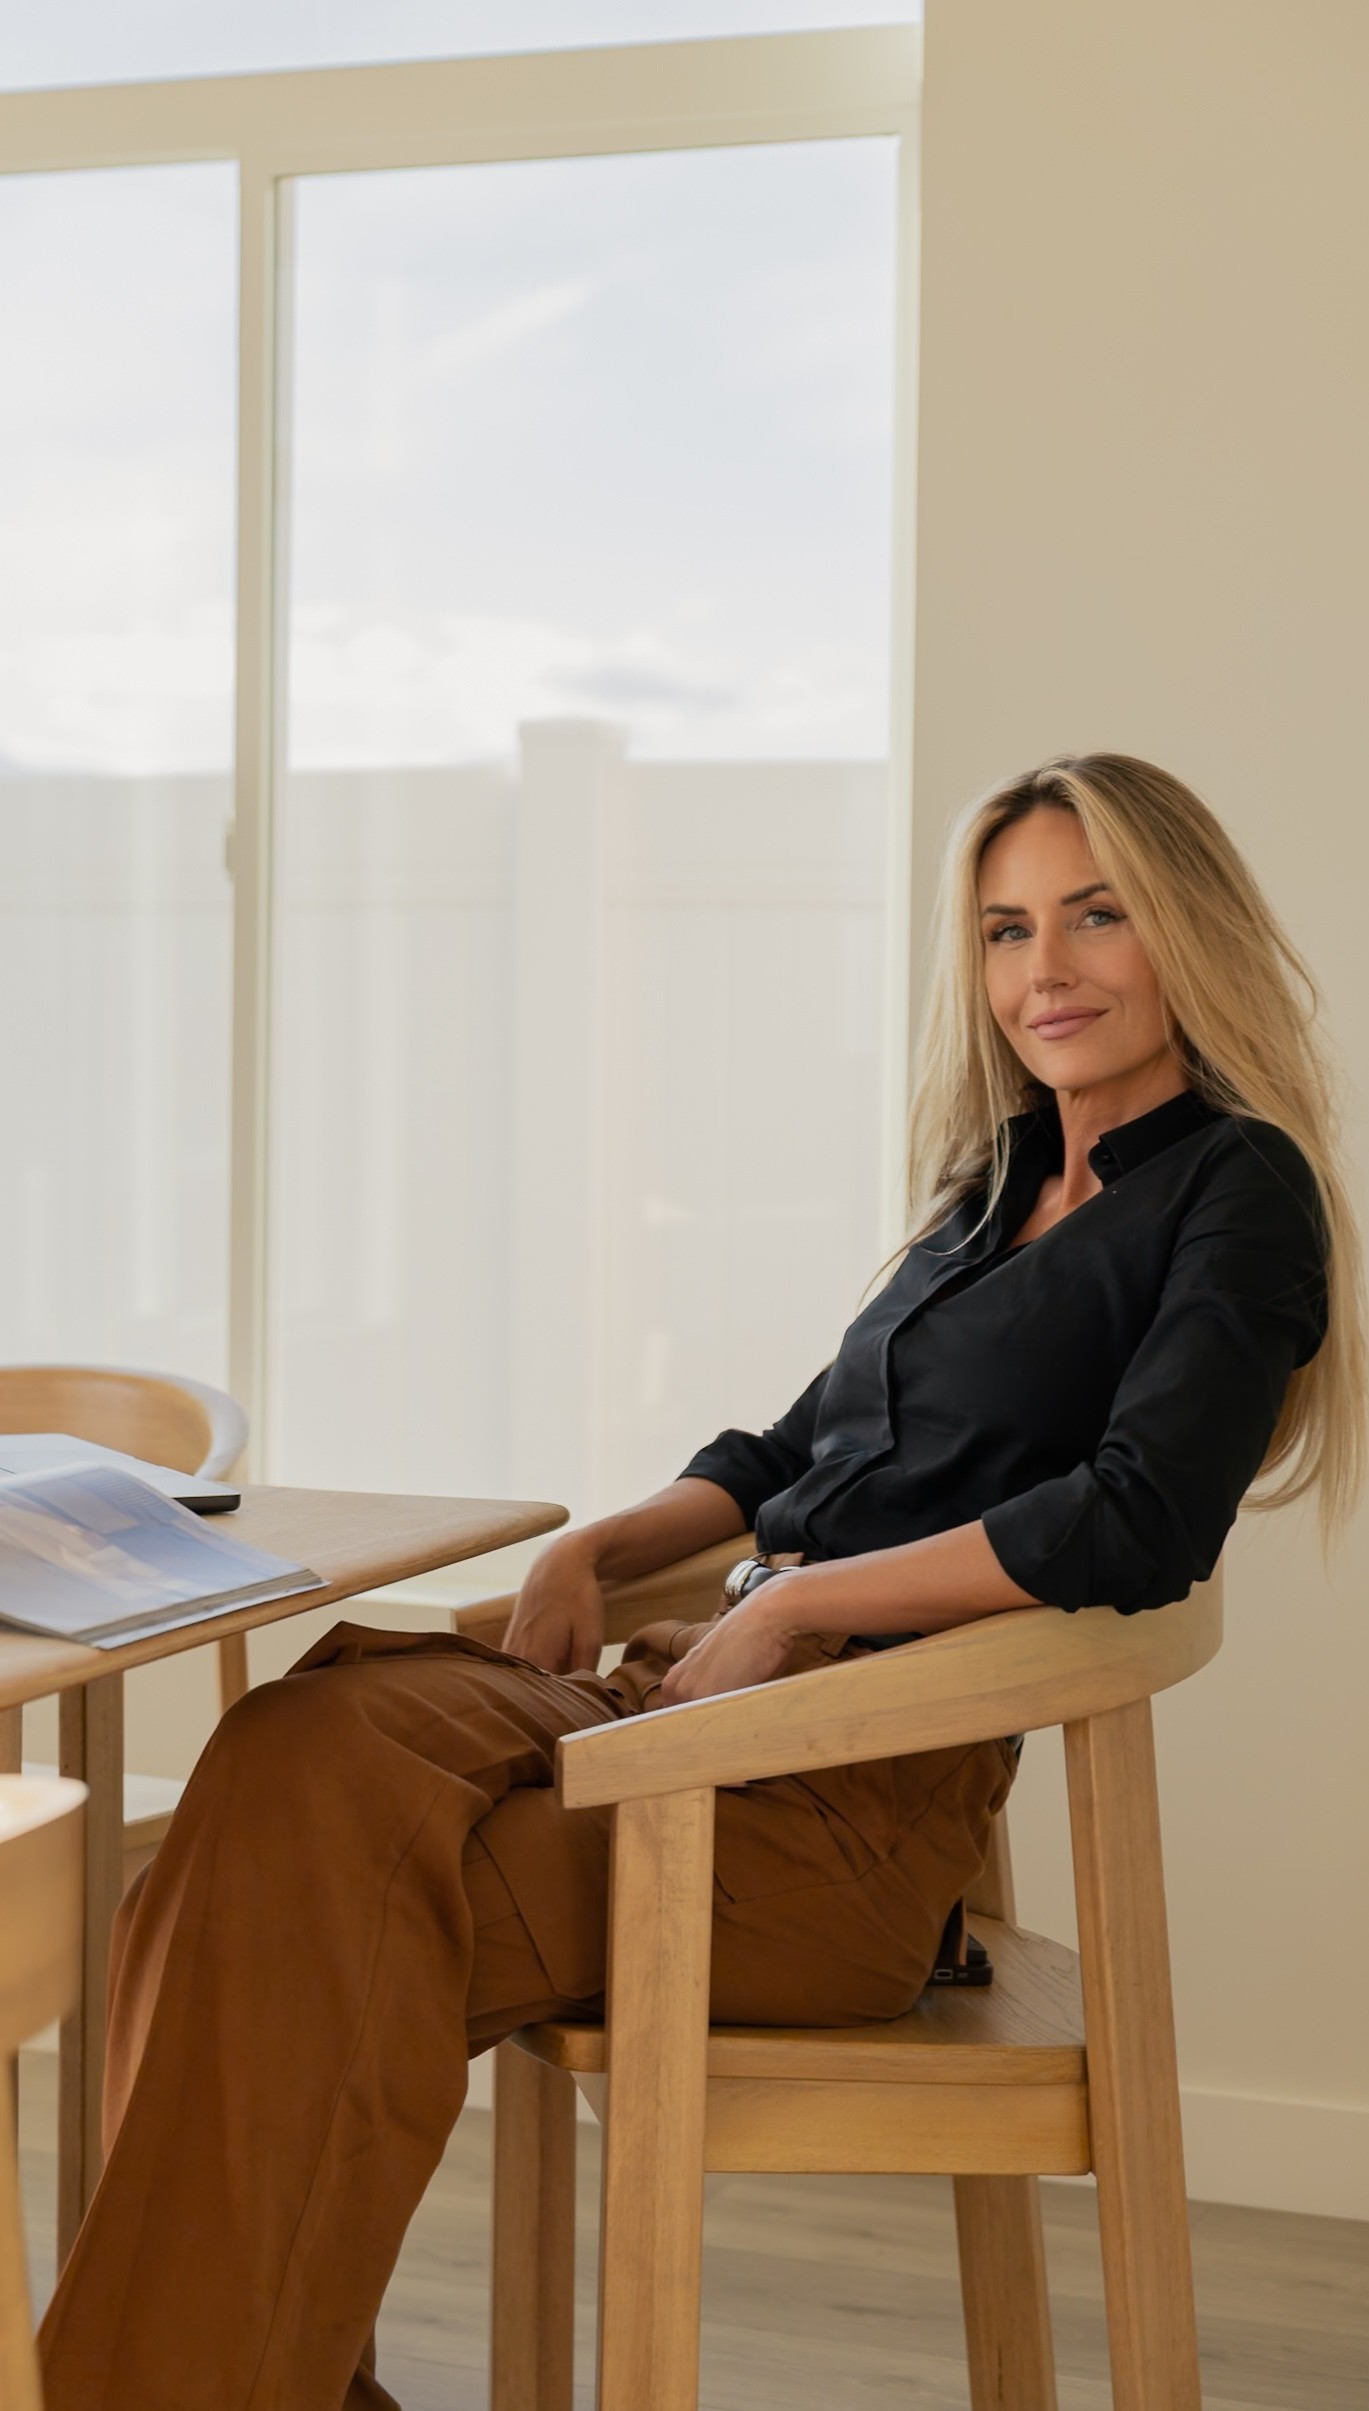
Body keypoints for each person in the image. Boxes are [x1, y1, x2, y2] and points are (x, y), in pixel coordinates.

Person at [39, 754, 1364, 2411]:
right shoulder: (994, 1188)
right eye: (1005, 928)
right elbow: (801, 1443)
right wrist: (605, 1545)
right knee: (294, 1747)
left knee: (300, 1883)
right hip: (696, 1707)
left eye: (1095, 916)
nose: (1045, 971)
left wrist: (793, 1605)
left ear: (1185, 931)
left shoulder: (1238, 1194)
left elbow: (1139, 1516)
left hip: (836, 1810)